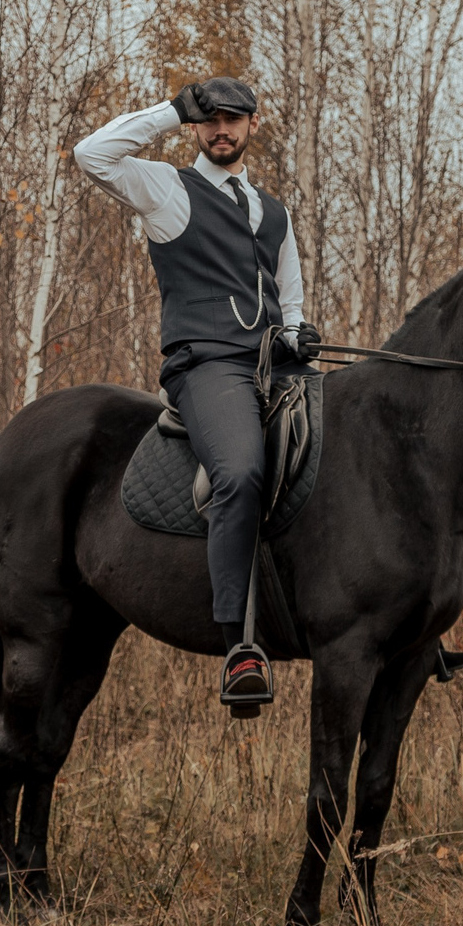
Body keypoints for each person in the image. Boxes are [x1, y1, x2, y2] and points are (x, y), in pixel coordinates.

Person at [74, 77, 319, 713]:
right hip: (207, 366)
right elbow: (91, 155)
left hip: (274, 367)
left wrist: (297, 334)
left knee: (350, 444)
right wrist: (167, 111)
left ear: (252, 126)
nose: (221, 129)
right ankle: (239, 643)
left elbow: (288, 299)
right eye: (208, 119)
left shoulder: (274, 211)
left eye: (233, 119)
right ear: (196, 126)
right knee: (238, 472)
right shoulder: (166, 191)